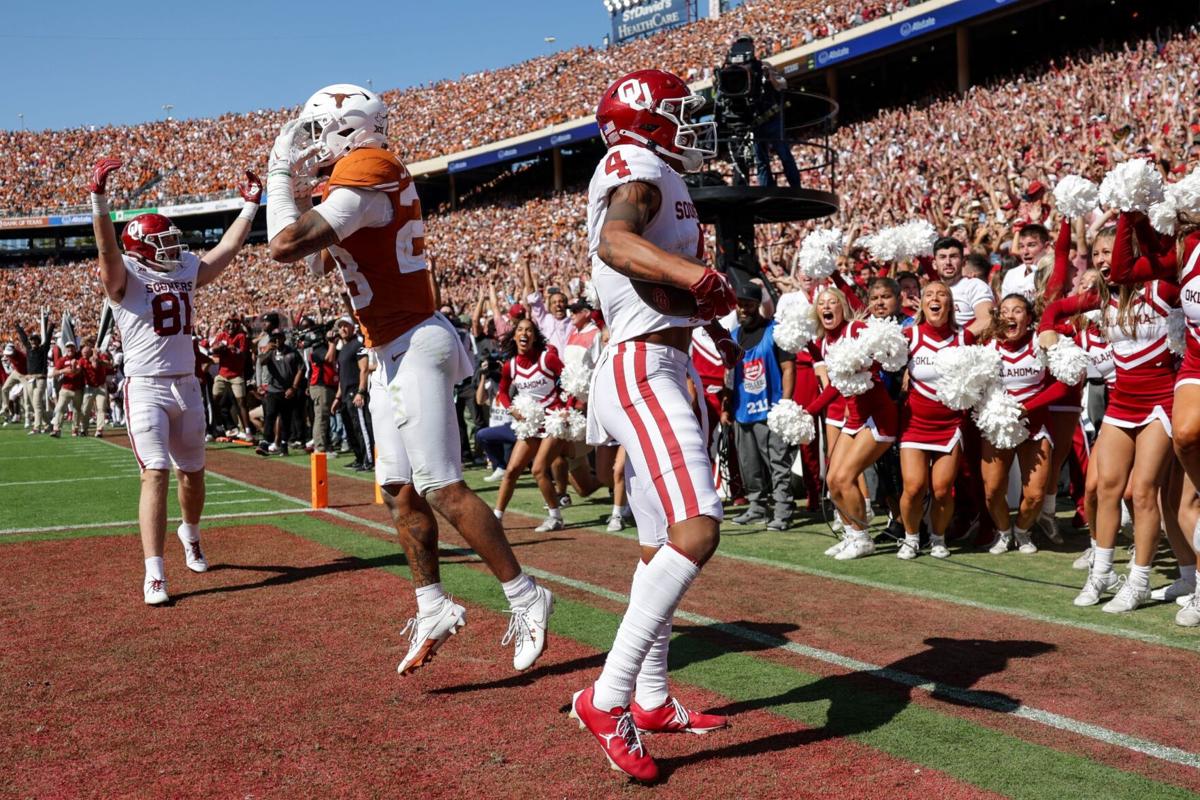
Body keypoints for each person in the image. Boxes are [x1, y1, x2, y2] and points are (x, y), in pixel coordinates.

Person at [265, 83, 553, 674]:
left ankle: (527, 596)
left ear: (350, 129)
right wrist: (295, 191)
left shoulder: (371, 168)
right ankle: (432, 605)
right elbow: (320, 258)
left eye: (318, 131)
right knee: (399, 488)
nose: (309, 145)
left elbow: (286, 247)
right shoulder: (359, 177)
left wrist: (276, 178)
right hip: (389, 347)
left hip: (415, 340)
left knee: (443, 486)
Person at [569, 69, 736, 782]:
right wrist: (697, 281)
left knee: (655, 545)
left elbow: (646, 279)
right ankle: (607, 699)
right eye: (678, 114)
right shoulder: (636, 165)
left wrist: (700, 312)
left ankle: (652, 695)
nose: (690, 125)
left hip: (657, 360)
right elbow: (616, 243)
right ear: (646, 119)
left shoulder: (656, 170)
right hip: (644, 368)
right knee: (697, 528)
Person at [89, 156, 261, 605]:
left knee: (194, 475)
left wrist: (249, 208)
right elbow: (108, 250)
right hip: (145, 385)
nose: (171, 248)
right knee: (156, 474)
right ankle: (155, 574)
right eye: (161, 242)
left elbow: (223, 254)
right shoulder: (124, 276)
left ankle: (191, 533)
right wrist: (99, 200)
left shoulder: (184, 267)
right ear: (141, 250)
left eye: (171, 240)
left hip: (187, 384)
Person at [725, 283, 796, 530]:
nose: (743, 308)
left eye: (748, 304)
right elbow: (729, 373)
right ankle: (756, 507)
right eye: (739, 304)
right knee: (748, 464)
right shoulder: (733, 336)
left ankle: (783, 510)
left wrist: (785, 402)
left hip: (771, 409)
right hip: (742, 410)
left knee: (777, 463)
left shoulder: (775, 331)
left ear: (758, 305)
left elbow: (788, 368)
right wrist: (727, 405)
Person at [492, 318, 569, 530]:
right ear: (515, 336)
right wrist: (512, 409)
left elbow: (569, 381)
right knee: (512, 470)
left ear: (534, 337)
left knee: (538, 469)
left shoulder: (548, 359)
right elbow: (502, 391)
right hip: (531, 424)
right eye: (520, 330)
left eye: (529, 330)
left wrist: (566, 408)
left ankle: (555, 517)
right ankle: (496, 517)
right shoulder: (511, 365)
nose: (524, 333)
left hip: (553, 421)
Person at [330, 317, 373, 471]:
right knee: (351, 428)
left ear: (352, 327)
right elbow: (342, 376)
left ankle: (368, 459)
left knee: (361, 427)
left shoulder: (357, 345)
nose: (342, 329)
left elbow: (364, 369)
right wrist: (337, 397)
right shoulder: (343, 349)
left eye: (345, 326)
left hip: (356, 392)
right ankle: (359, 457)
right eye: (340, 326)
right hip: (346, 394)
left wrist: (361, 391)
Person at [254, 331, 304, 456]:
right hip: (273, 389)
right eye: (273, 338)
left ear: (283, 338)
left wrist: (294, 387)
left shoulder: (291, 352)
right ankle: (266, 442)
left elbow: (302, 368)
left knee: (285, 419)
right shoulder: (269, 352)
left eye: (278, 338)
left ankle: (283, 445)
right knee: (270, 415)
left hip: (287, 390)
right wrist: (267, 351)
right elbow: (261, 361)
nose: (276, 341)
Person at [209, 317, 253, 440]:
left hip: (236, 374)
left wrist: (234, 349)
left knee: (241, 402)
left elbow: (243, 354)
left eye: (232, 326)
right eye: (228, 326)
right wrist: (220, 348)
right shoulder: (222, 335)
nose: (230, 329)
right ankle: (218, 426)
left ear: (237, 326)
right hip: (222, 374)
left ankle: (248, 430)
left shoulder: (241, 336)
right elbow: (213, 350)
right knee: (214, 399)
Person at [15, 320, 53, 433]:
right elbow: (23, 338)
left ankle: (37, 427)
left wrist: (51, 326)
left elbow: (49, 338)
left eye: (35, 340)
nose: (33, 342)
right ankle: (48, 425)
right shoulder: (29, 349)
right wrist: (18, 327)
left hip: (40, 379)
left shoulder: (43, 350)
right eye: (32, 340)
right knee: (37, 404)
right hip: (30, 379)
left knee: (36, 402)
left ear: (38, 341)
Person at [307, 325, 340, 453]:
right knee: (321, 417)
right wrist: (332, 343)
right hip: (320, 386)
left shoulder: (322, 348)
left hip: (327, 386)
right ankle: (319, 448)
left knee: (325, 418)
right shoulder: (318, 349)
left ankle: (326, 445)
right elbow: (329, 358)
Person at [49, 341, 85, 437]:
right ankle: (56, 429)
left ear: (75, 348)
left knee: (77, 410)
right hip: (65, 388)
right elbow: (53, 373)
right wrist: (63, 370)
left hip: (77, 388)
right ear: (66, 349)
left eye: (72, 347)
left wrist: (73, 367)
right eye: (68, 347)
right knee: (60, 408)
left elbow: (78, 371)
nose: (70, 349)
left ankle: (75, 429)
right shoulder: (62, 360)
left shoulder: (79, 359)